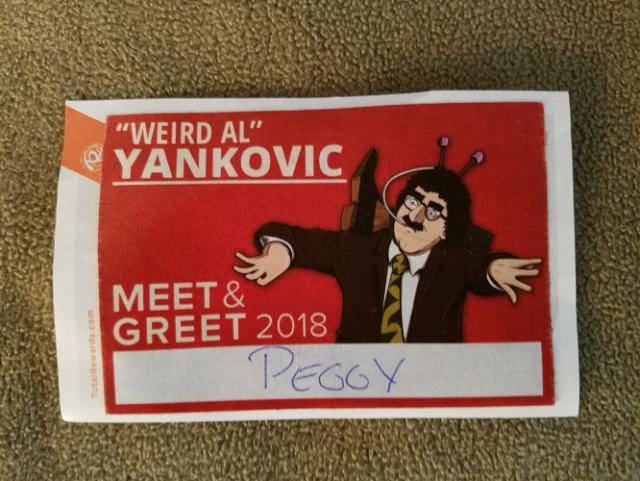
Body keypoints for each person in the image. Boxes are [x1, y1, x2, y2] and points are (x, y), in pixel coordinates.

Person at [234, 167, 541, 343]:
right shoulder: (356, 250)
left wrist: (494, 270)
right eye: (412, 202)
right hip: (353, 382)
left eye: (433, 212)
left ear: (447, 231)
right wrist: (280, 252)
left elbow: (480, 269)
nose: (415, 217)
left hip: (432, 385)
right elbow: (289, 235)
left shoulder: (453, 263)